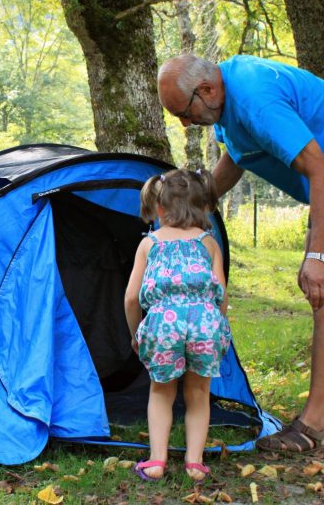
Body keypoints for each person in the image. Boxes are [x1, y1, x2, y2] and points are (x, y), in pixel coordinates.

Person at [156, 54, 324, 453]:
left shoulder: (257, 101)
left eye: (184, 113)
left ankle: (312, 426)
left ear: (207, 90)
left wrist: (318, 257)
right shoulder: (226, 100)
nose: (185, 123)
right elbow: (235, 160)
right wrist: (188, 213)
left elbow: (321, 172)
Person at [125, 169, 231, 483]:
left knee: (160, 392)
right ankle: (194, 463)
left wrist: (136, 334)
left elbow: (132, 298)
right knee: (198, 392)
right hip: (204, 324)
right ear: (203, 208)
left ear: (159, 208)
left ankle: (157, 461)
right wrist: (218, 328)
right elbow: (220, 296)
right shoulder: (208, 243)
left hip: (162, 326)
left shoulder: (149, 244)